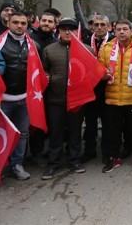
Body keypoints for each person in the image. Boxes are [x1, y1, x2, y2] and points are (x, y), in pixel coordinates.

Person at [41, 18, 93, 180]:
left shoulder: (87, 50)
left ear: (77, 31)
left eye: (71, 29)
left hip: (77, 100)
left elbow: (92, 73)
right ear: (59, 30)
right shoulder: (49, 50)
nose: (68, 32)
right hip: (55, 99)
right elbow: (43, 71)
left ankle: (74, 160)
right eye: (64, 29)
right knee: (55, 132)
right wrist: (48, 77)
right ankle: (53, 163)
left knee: (75, 131)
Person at [99, 19, 132, 173]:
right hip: (112, 98)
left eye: (125, 29)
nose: (121, 32)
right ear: (114, 31)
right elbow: (99, 68)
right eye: (118, 29)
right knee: (112, 131)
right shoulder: (107, 48)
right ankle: (113, 158)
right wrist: (102, 74)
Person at [0, 12, 31, 180]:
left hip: (24, 99)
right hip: (3, 100)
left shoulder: (33, 44)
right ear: (7, 23)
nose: (19, 26)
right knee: (0, 133)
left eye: (23, 23)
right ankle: (1, 166)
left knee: (22, 133)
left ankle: (17, 164)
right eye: (16, 22)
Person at [80, 15, 114, 164]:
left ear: (108, 26)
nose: (99, 27)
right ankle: (89, 150)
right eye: (96, 25)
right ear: (92, 26)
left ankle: (106, 151)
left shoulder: (114, 41)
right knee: (90, 122)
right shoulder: (85, 42)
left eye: (102, 24)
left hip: (108, 87)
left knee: (107, 122)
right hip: (90, 87)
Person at [28, 12, 57, 167]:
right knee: (33, 122)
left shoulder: (56, 42)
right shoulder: (29, 39)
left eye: (50, 21)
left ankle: (46, 151)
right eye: (44, 20)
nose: (46, 23)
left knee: (48, 122)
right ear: (39, 22)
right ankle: (35, 153)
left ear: (54, 25)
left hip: (50, 91)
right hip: (32, 89)